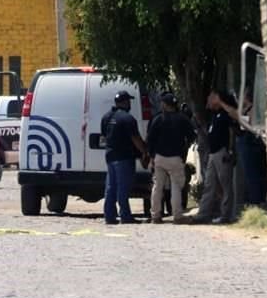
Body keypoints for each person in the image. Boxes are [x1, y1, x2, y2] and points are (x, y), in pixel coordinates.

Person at [146, 92, 196, 224]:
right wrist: (184, 147)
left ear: (164, 105)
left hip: (160, 157)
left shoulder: (158, 119)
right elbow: (191, 136)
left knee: (157, 186)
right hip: (176, 157)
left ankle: (155, 216)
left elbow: (150, 139)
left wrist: (151, 156)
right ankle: (177, 216)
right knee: (176, 186)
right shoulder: (183, 119)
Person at [101, 91, 149, 225]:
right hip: (124, 157)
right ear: (125, 102)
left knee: (111, 187)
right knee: (123, 187)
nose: (130, 104)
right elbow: (136, 139)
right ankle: (125, 216)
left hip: (110, 156)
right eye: (129, 101)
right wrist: (144, 151)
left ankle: (109, 216)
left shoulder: (106, 117)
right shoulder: (128, 118)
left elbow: (104, 136)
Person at [194, 89, 237, 224]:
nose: (209, 100)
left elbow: (231, 133)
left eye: (211, 97)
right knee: (209, 184)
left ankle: (226, 215)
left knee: (226, 185)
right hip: (213, 153)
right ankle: (203, 214)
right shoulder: (215, 115)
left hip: (222, 152)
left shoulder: (225, 114)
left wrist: (229, 150)